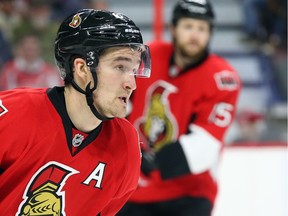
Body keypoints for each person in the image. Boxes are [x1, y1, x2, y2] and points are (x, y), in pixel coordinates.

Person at [0, 9, 151, 215]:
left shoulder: (126, 147)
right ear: (81, 68)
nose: (131, 84)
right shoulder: (13, 113)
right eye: (120, 67)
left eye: (133, 69)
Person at [118, 0, 241, 216]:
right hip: (133, 190)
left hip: (189, 194)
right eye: (188, 26)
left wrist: (151, 160)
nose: (195, 35)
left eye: (202, 28)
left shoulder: (223, 78)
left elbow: (206, 143)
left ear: (210, 33)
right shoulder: (150, 55)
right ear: (173, 28)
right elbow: (120, 104)